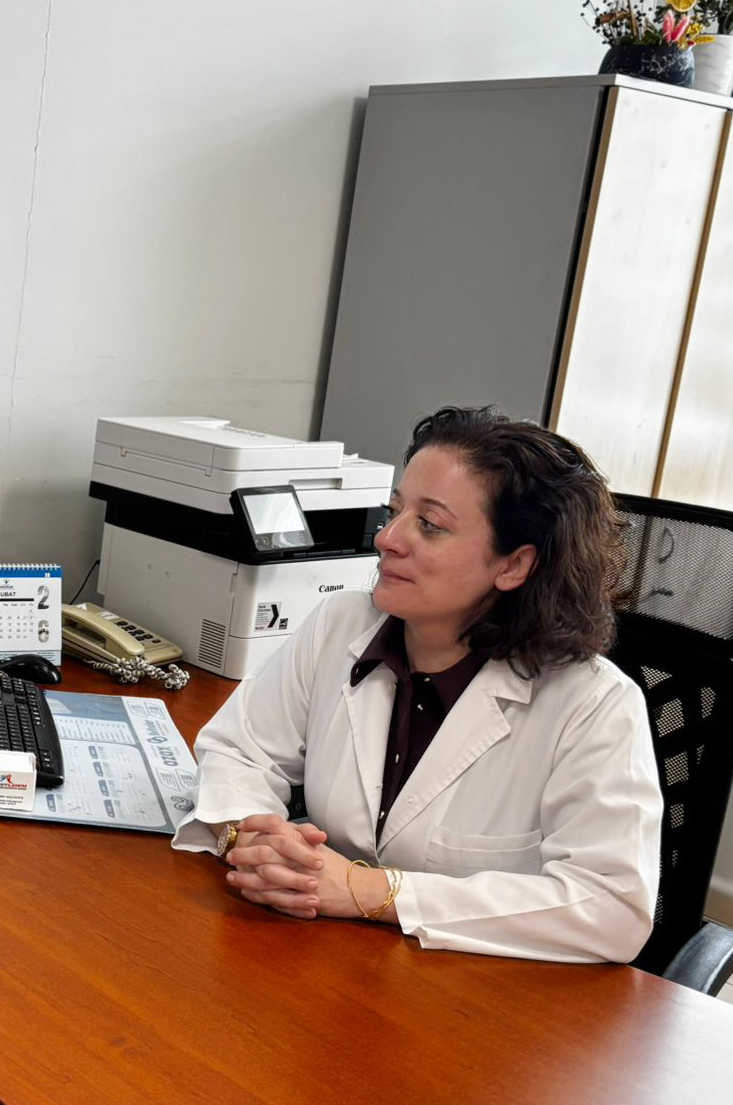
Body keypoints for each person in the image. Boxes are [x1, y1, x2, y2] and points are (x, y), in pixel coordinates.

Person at [174, 406, 661, 963]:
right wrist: (255, 838)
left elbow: (612, 908)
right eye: (394, 511)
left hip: (480, 992)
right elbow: (239, 750)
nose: (387, 538)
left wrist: (371, 892)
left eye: (429, 524)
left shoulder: (594, 706)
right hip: (329, 961)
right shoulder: (341, 625)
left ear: (513, 565)